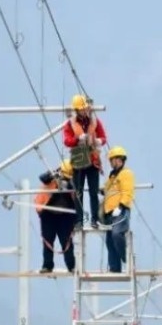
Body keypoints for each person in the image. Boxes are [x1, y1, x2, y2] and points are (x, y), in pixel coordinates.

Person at [62, 94, 107, 229]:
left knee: (93, 192)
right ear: (76, 110)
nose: (84, 111)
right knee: (78, 192)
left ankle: (94, 220)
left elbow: (103, 137)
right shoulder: (70, 124)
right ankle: (79, 221)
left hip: (93, 160)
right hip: (79, 160)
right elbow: (66, 141)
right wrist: (77, 139)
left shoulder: (95, 122)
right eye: (82, 109)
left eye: (85, 108)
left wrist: (99, 141)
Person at [35, 160, 78, 274]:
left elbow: (76, 195)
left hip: (65, 216)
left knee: (66, 242)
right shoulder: (51, 178)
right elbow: (43, 178)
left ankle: (71, 266)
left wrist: (69, 181)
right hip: (48, 214)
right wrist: (55, 174)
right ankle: (47, 266)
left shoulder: (73, 181)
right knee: (48, 240)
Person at [100, 147, 135, 273]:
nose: (110, 162)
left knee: (117, 234)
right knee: (110, 241)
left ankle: (126, 258)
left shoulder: (126, 174)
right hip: (110, 212)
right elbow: (108, 189)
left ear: (119, 160)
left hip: (120, 211)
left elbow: (127, 191)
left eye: (112, 160)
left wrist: (121, 206)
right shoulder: (113, 176)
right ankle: (115, 267)